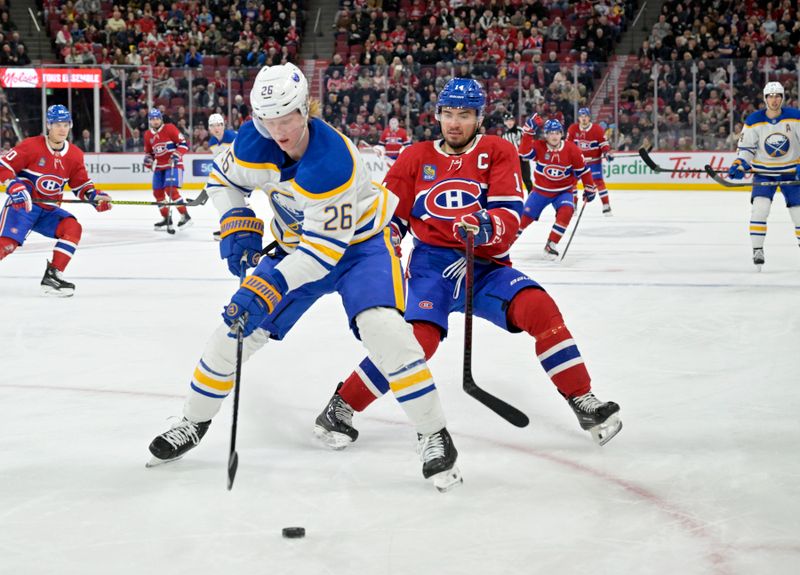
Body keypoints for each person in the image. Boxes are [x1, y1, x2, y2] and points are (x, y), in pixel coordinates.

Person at [146, 63, 462, 492]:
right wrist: (236, 217)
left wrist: (265, 287)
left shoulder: (333, 162)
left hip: (360, 248)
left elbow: (321, 254)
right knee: (233, 333)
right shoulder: (252, 142)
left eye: (287, 118)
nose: (279, 130)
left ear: (305, 110)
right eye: (268, 120)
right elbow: (221, 178)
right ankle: (192, 421)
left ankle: (434, 432)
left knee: (385, 331)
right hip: (298, 246)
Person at [313, 78, 622, 452]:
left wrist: (486, 225)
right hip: (432, 266)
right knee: (416, 343)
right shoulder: (415, 157)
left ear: (479, 118)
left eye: (465, 114)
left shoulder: (496, 150)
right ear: (438, 115)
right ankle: (341, 405)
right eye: (448, 114)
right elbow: (388, 217)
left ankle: (582, 399)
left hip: (485, 262)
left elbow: (509, 218)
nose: (454, 123)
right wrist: (390, 239)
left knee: (540, 309)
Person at [0, 104, 112, 296]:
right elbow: (3, 165)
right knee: (6, 246)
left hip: (49, 211)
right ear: (49, 125)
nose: (62, 129)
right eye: (57, 124)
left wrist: (95, 197)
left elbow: (81, 184)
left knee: (72, 228)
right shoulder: (31, 146)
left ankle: (52, 276)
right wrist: (13, 185)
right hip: (24, 206)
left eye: (66, 124)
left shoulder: (75, 154)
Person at [729, 81, 800, 269]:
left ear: (782, 98)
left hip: (791, 172)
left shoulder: (795, 117)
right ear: (765, 98)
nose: (774, 100)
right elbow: (746, 149)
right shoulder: (753, 120)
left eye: (778, 96)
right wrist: (740, 163)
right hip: (764, 173)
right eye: (770, 96)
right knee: (760, 209)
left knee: (799, 214)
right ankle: (757, 250)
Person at [517, 115, 597, 260]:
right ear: (545, 135)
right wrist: (528, 133)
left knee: (567, 211)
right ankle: (503, 245)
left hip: (563, 191)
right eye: (551, 133)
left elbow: (583, 171)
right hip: (540, 192)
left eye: (557, 133)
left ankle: (551, 244)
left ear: (561, 134)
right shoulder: (539, 146)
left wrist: (589, 187)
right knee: (523, 219)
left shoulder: (572, 149)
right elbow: (523, 153)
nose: (554, 136)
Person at [143, 108, 191, 231]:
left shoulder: (170, 128)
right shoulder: (148, 134)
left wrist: (176, 154)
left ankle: (185, 216)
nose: (155, 121)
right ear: (149, 121)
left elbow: (183, 145)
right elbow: (150, 152)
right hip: (160, 167)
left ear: (161, 119)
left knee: (171, 190)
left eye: (157, 118)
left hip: (174, 165)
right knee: (157, 193)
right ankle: (166, 219)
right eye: (153, 119)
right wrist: (148, 159)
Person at [567, 107, 614, 215]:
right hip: (577, 163)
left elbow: (603, 144)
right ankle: (573, 205)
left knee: (598, 182)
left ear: (589, 118)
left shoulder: (597, 129)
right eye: (581, 116)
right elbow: (568, 145)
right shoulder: (573, 129)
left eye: (586, 116)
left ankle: (606, 205)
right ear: (578, 118)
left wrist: (606, 153)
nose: (583, 119)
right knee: (571, 183)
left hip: (594, 162)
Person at [207, 113, 238, 241]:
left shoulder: (232, 137)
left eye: (219, 125)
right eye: (213, 126)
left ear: (223, 126)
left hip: (238, 176)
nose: (216, 128)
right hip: (227, 178)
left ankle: (241, 227)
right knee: (222, 201)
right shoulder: (212, 142)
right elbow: (219, 162)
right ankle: (228, 227)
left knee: (237, 203)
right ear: (209, 128)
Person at [500, 112, 533, 192]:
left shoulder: (520, 130)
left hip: (523, 159)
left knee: (526, 179)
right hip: (511, 160)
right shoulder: (504, 135)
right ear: (504, 122)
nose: (509, 122)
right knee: (512, 180)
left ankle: (531, 197)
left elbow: (527, 141)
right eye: (507, 121)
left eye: (511, 120)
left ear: (514, 121)